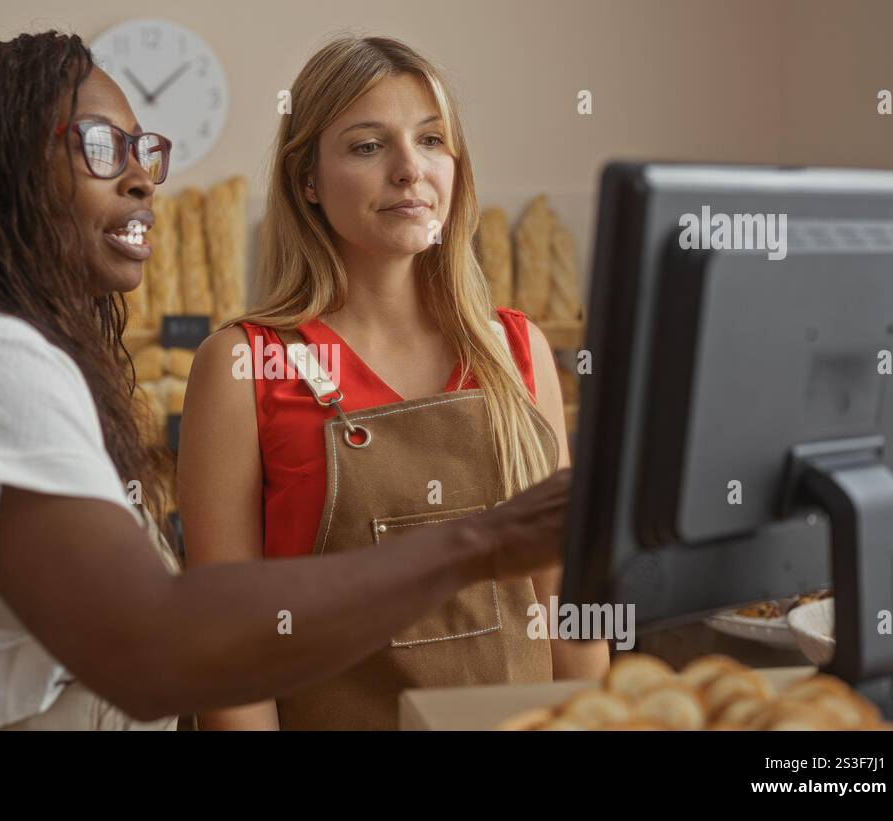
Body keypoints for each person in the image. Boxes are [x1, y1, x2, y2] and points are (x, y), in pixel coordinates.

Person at [0, 30, 572, 731]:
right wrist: (481, 540)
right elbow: (154, 645)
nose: (142, 180)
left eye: (140, 150)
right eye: (98, 147)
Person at [180, 35, 608, 731]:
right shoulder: (242, 366)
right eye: (368, 146)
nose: (410, 170)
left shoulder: (518, 351)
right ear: (307, 181)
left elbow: (565, 605)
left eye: (432, 140)